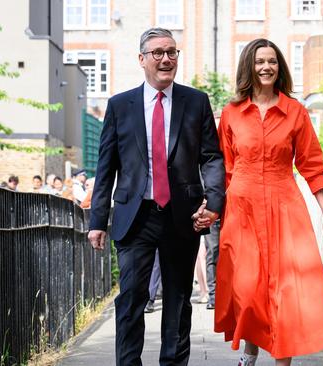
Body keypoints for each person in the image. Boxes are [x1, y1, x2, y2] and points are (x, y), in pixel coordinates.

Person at [194, 38, 323, 366]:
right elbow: (223, 169)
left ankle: (281, 360)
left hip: (285, 208)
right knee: (247, 289)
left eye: (272, 61)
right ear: (249, 66)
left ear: (280, 67)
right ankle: (251, 346)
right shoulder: (231, 114)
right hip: (242, 211)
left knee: (285, 291)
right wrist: (213, 206)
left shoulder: (295, 112)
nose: (266, 67)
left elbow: (312, 165)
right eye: (260, 61)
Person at [87, 27, 225, 366]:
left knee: (178, 299)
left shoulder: (196, 101)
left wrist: (215, 203)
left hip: (183, 216)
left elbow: (212, 156)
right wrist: (97, 221)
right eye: (158, 53)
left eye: (172, 52)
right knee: (132, 297)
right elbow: (106, 166)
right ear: (142, 59)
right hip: (135, 216)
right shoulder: (120, 105)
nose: (166, 59)